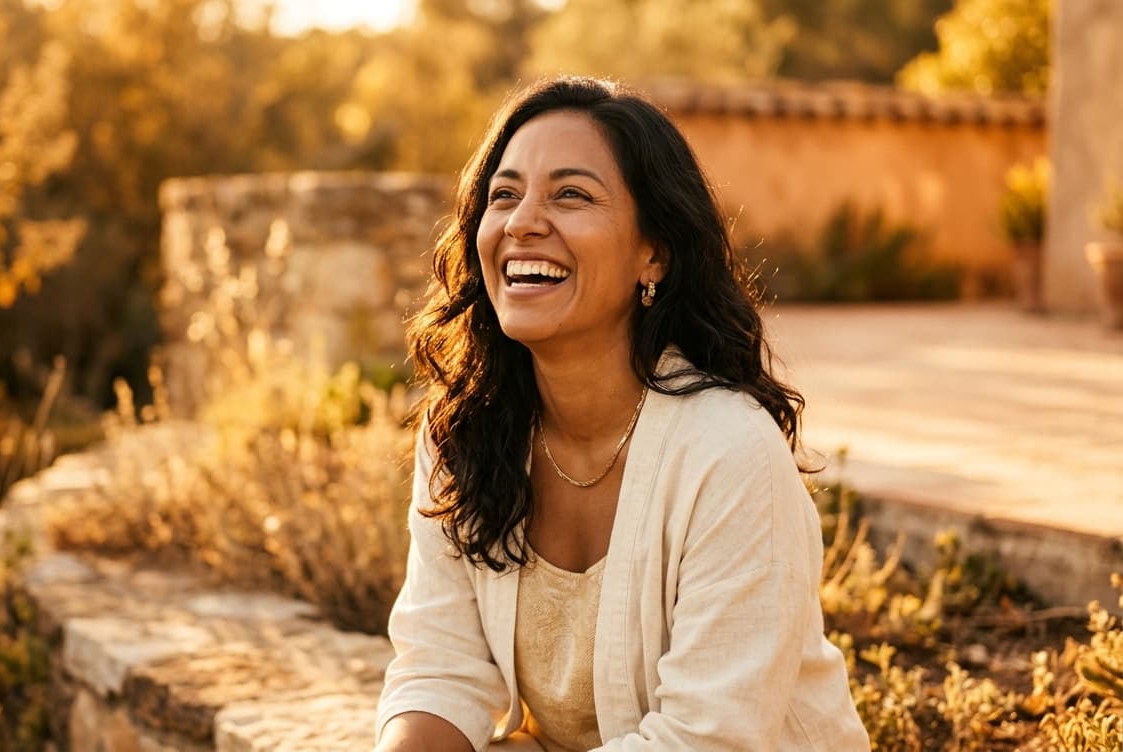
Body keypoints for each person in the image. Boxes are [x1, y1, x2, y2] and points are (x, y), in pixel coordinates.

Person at [373, 76, 871, 752]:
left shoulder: (730, 451)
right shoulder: (465, 430)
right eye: (504, 195)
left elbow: (706, 739)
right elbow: (438, 671)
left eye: (571, 195)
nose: (522, 222)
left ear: (653, 252)